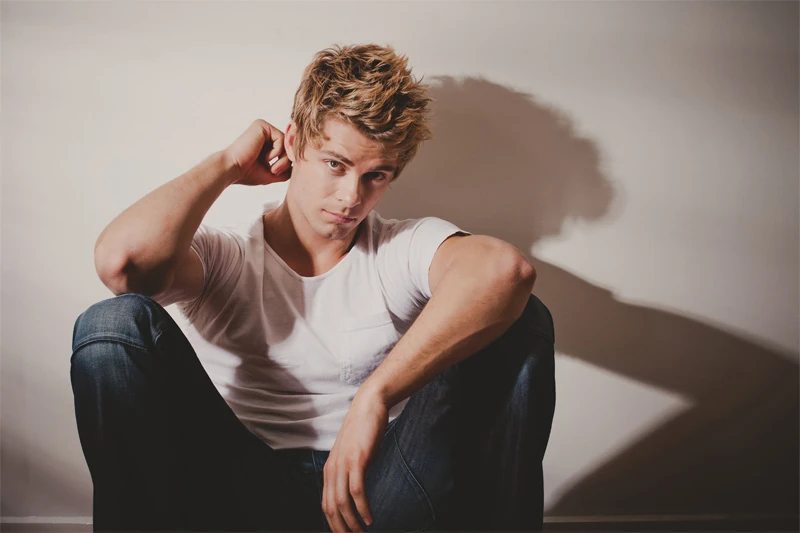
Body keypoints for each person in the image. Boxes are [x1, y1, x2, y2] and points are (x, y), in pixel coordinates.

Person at [71, 43, 556, 532]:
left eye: (375, 175)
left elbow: (505, 272)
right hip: (239, 493)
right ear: (296, 141)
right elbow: (122, 265)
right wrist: (227, 164)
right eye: (336, 164)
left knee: (521, 320)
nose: (351, 197)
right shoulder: (227, 253)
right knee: (110, 324)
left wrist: (375, 397)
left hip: (376, 492)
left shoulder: (400, 248)